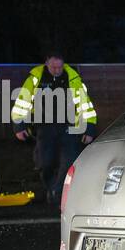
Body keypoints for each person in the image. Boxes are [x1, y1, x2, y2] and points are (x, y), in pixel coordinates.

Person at [11, 53, 97, 206]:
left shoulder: (73, 79)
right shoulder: (35, 79)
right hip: (45, 128)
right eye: (53, 67)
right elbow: (22, 102)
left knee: (70, 162)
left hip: (69, 127)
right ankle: (51, 188)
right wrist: (19, 125)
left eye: (60, 67)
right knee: (45, 163)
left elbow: (85, 105)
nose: (57, 70)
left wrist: (89, 128)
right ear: (46, 64)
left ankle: (58, 193)